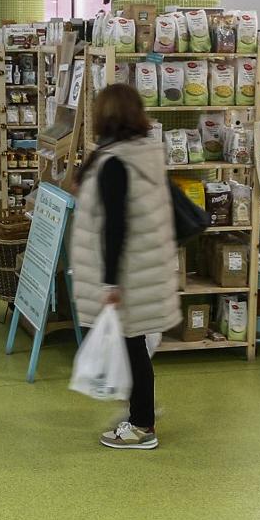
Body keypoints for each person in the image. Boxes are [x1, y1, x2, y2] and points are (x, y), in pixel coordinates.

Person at [71, 84, 179, 450]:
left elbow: (115, 226)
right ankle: (139, 411)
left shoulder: (116, 162)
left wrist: (109, 284)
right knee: (133, 346)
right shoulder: (140, 153)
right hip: (144, 272)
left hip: (128, 276)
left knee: (131, 347)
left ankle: (142, 426)